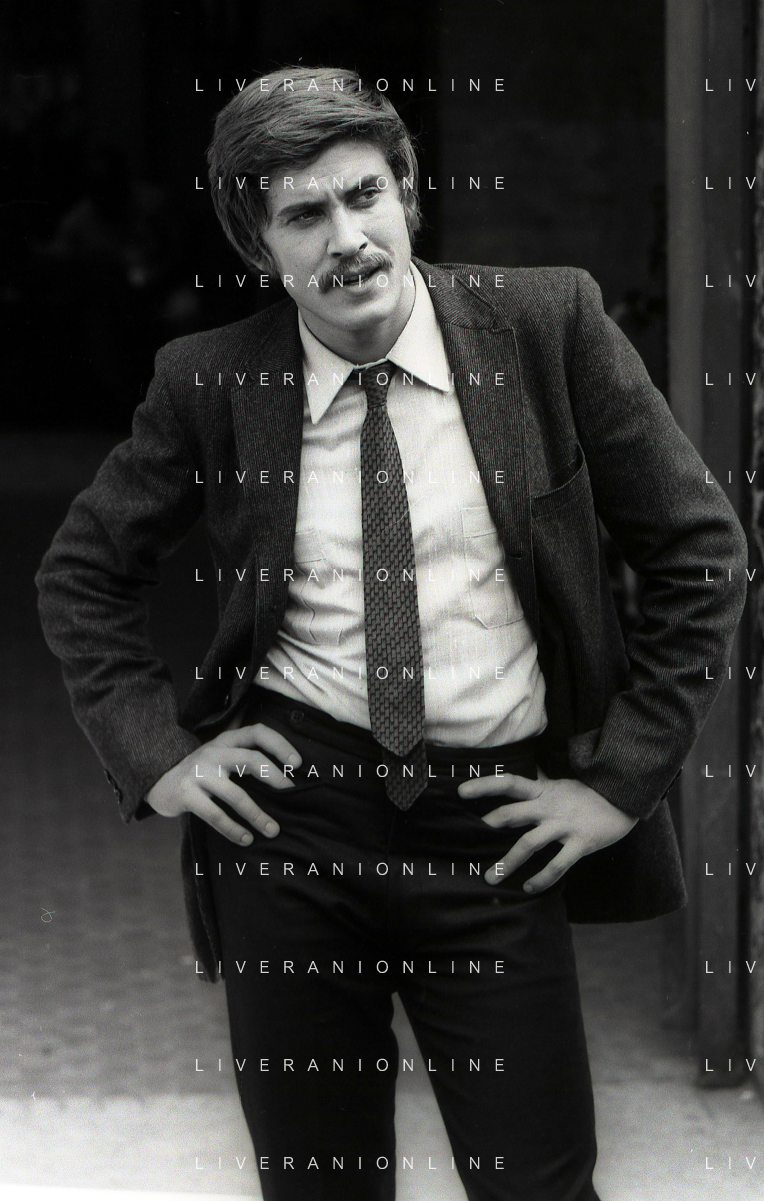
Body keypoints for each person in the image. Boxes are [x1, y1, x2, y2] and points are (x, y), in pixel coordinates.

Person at [36, 67, 747, 1201]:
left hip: (492, 829)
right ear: (259, 244)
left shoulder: (546, 326)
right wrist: (161, 756)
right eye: (303, 215)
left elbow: (700, 551)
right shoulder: (210, 381)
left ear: (407, 190)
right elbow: (83, 572)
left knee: (540, 1184)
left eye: (364, 194)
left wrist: (620, 779)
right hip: (293, 831)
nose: (347, 238)